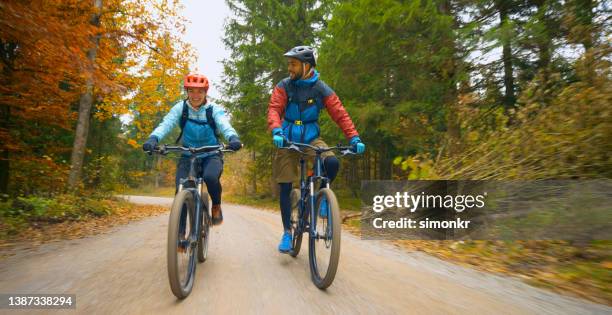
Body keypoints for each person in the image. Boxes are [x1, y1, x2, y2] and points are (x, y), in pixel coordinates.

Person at [267, 46, 365, 253]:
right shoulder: (284, 86)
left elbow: (340, 113)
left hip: (312, 139)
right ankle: (287, 232)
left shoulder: (321, 88)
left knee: (331, 162)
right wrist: (277, 130)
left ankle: (321, 193)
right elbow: (275, 108)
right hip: (286, 140)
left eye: (293, 64)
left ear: (307, 66)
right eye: (289, 64)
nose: (289, 68)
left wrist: (354, 138)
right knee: (285, 185)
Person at [143, 73, 242, 225]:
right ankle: (180, 236)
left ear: (205, 93)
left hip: (211, 153)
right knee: (181, 189)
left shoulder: (213, 109)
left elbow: (224, 124)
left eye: (200, 91)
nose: (195, 95)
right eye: (192, 91)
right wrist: (153, 138)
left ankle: (216, 205)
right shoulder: (180, 108)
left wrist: (232, 138)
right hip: (188, 154)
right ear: (187, 92)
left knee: (210, 177)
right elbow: (166, 123)